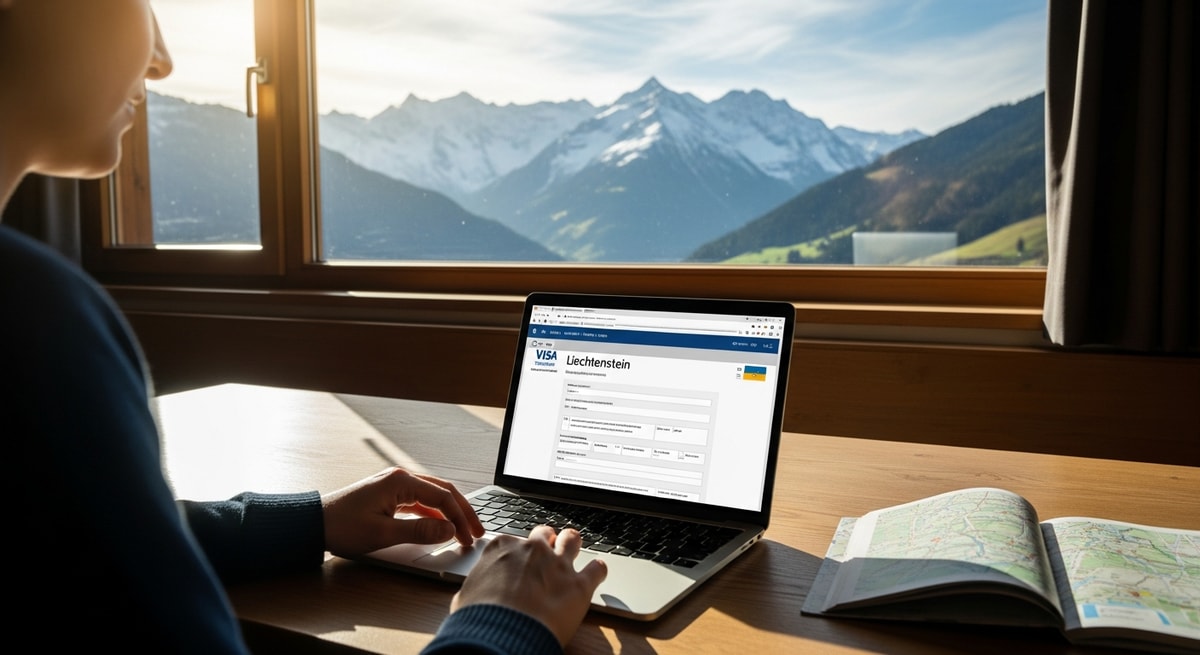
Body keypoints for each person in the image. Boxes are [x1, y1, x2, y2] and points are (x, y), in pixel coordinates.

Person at [0, 1, 606, 653]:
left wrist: (310, 521)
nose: (163, 59)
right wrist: (501, 622)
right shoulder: (35, 324)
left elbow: (68, 541)